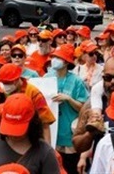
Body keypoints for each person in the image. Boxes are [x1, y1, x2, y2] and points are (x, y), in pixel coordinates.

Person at [0, 93, 60, 174]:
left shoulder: (45, 152)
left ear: (32, 123)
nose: (13, 135)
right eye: (10, 128)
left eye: (18, 129)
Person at [45, 44, 88, 174]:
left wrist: (69, 99)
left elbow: (83, 108)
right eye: (53, 56)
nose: (54, 59)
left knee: (70, 168)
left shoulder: (76, 81)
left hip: (69, 135)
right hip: (52, 134)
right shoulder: (47, 78)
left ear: (66, 62)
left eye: (58, 57)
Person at [0, 63, 56, 144]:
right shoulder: (2, 92)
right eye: (4, 83)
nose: (6, 86)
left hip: (30, 139)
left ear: (17, 79)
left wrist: (49, 150)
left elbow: (45, 124)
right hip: (9, 139)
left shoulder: (33, 93)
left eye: (8, 83)